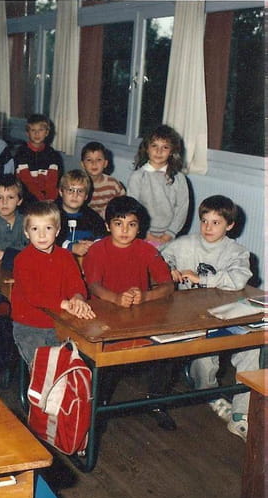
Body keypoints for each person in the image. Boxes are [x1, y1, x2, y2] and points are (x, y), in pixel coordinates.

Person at [161, 195, 256, 440]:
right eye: (204, 221)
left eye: (216, 223)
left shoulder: (237, 251)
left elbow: (238, 278)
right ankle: (210, 393)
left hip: (224, 316)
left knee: (251, 349)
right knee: (204, 358)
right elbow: (160, 258)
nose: (208, 227)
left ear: (230, 225)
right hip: (190, 316)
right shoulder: (185, 244)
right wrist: (169, 268)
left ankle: (241, 414)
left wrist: (202, 279)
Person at [83, 196, 177, 430]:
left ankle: (156, 402)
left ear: (139, 227)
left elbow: (168, 286)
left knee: (168, 350)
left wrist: (145, 296)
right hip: (105, 318)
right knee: (106, 362)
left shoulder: (146, 249)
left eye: (131, 224)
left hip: (139, 317)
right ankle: (98, 408)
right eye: (118, 224)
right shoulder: (97, 250)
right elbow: (93, 285)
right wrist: (116, 298)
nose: (125, 230)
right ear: (108, 226)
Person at [11, 201, 94, 365]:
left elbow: (76, 283)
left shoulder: (66, 256)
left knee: (75, 362)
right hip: (30, 325)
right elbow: (33, 296)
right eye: (35, 229)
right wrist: (65, 304)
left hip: (61, 323)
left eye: (48, 228)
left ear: (57, 230)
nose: (42, 235)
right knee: (44, 367)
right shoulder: (22, 260)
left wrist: (78, 297)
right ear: (26, 232)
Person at [128, 125, 189, 249]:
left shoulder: (179, 178)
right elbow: (132, 208)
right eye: (154, 146)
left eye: (165, 147)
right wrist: (146, 234)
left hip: (169, 236)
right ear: (147, 148)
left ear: (172, 151)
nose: (159, 151)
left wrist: (169, 234)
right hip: (142, 234)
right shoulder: (137, 177)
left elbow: (182, 209)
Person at [54, 170, 107, 257]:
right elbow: (47, 238)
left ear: (86, 196)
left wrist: (95, 244)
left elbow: (102, 234)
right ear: (61, 192)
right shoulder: (51, 214)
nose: (75, 195)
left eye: (80, 191)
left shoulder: (92, 216)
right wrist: (70, 246)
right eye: (70, 190)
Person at [14, 113, 63, 202]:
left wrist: (50, 199)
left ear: (47, 132)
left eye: (41, 130)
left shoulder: (52, 155)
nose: (37, 133)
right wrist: (40, 200)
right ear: (27, 133)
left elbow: (52, 182)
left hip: (47, 199)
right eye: (33, 130)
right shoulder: (21, 153)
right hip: (27, 197)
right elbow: (26, 181)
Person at [81, 141, 125, 219]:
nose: (94, 163)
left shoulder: (113, 184)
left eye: (99, 160)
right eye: (89, 160)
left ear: (105, 163)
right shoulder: (80, 184)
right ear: (82, 164)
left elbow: (123, 206)